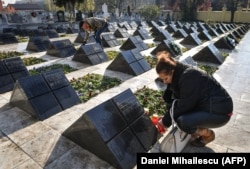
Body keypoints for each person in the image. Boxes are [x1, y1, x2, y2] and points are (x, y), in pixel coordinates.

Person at [155, 50, 233, 147]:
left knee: (184, 122)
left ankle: (208, 135)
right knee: (178, 113)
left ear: (172, 71)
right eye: (162, 80)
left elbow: (185, 105)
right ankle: (195, 127)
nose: (165, 82)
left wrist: (165, 122)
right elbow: (172, 101)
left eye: (166, 79)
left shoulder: (189, 77)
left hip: (221, 112)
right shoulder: (180, 74)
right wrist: (167, 116)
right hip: (208, 106)